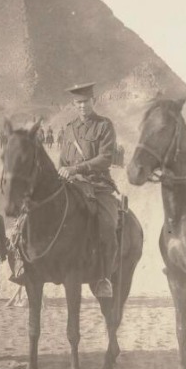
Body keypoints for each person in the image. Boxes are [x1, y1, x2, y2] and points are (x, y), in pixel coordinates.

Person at [50, 82, 117, 298]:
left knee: (107, 225)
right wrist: (61, 173)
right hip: (72, 185)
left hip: (97, 185)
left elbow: (106, 158)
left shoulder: (104, 125)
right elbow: (63, 161)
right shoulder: (69, 129)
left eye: (85, 102)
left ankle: (104, 277)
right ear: (73, 104)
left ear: (93, 101)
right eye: (78, 103)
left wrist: (77, 168)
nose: (82, 106)